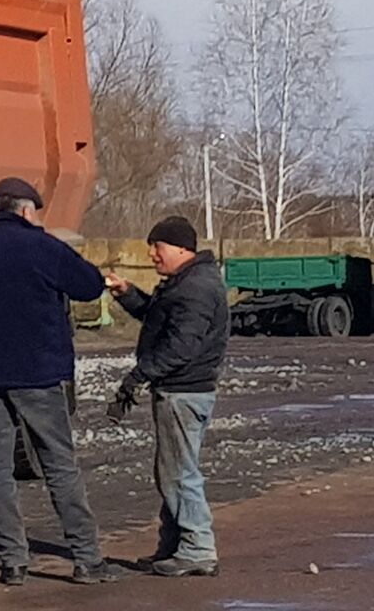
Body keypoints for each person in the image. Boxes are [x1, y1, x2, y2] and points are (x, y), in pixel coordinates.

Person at [0, 176, 122, 586]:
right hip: (39, 374)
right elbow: (88, 286)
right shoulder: (43, 247)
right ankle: (87, 560)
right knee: (60, 467)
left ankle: (13, 563)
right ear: (28, 210)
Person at [104, 215, 228, 578]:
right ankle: (175, 545)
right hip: (183, 391)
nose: (152, 253)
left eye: (157, 246)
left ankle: (197, 548)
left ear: (179, 248)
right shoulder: (187, 282)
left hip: (183, 393)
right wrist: (128, 294)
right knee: (172, 471)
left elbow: (181, 346)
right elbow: (159, 319)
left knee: (179, 474)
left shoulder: (195, 288)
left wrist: (138, 375)